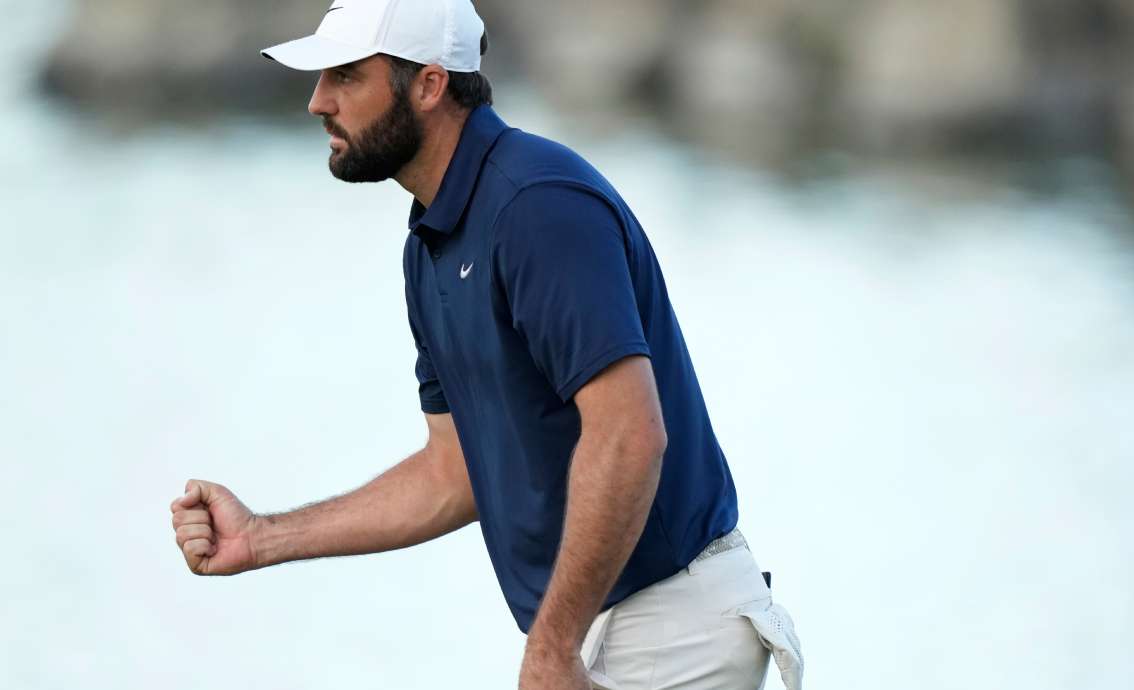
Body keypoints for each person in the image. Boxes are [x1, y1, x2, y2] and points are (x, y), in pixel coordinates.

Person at [168, 0, 802, 687]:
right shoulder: (433, 241)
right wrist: (261, 537)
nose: (319, 102)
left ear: (430, 85)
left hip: (672, 624)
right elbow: (453, 472)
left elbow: (630, 435)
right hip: (601, 626)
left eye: (347, 76)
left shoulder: (536, 205)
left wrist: (551, 646)